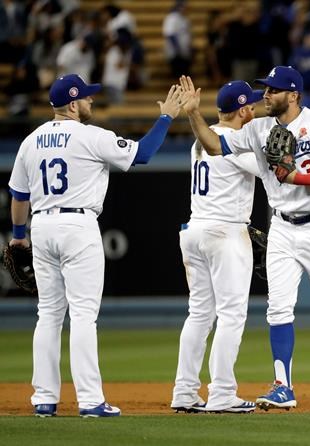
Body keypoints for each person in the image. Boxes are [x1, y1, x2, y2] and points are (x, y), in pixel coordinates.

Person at [178, 66, 310, 413]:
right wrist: (194, 114)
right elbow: (214, 146)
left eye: (273, 90)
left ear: (294, 95)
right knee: (278, 308)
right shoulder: (258, 128)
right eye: (265, 89)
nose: (266, 95)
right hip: (283, 226)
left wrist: (297, 177)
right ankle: (282, 385)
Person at [8, 74, 184, 417]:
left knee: (48, 315)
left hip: (41, 224)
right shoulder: (90, 136)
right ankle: (90, 400)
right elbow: (143, 155)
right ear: (72, 104)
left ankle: (44, 398)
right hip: (78, 225)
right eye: (86, 98)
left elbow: (19, 195)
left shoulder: (31, 141)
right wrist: (166, 117)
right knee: (84, 316)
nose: (91, 102)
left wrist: (18, 234)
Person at [171, 81, 264, 414]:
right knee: (231, 314)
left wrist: (194, 114)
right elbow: (273, 172)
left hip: (195, 230)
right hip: (225, 232)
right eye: (251, 106)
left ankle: (184, 391)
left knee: (199, 314)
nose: (255, 110)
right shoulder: (235, 143)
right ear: (242, 110)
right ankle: (223, 392)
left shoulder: (201, 138)